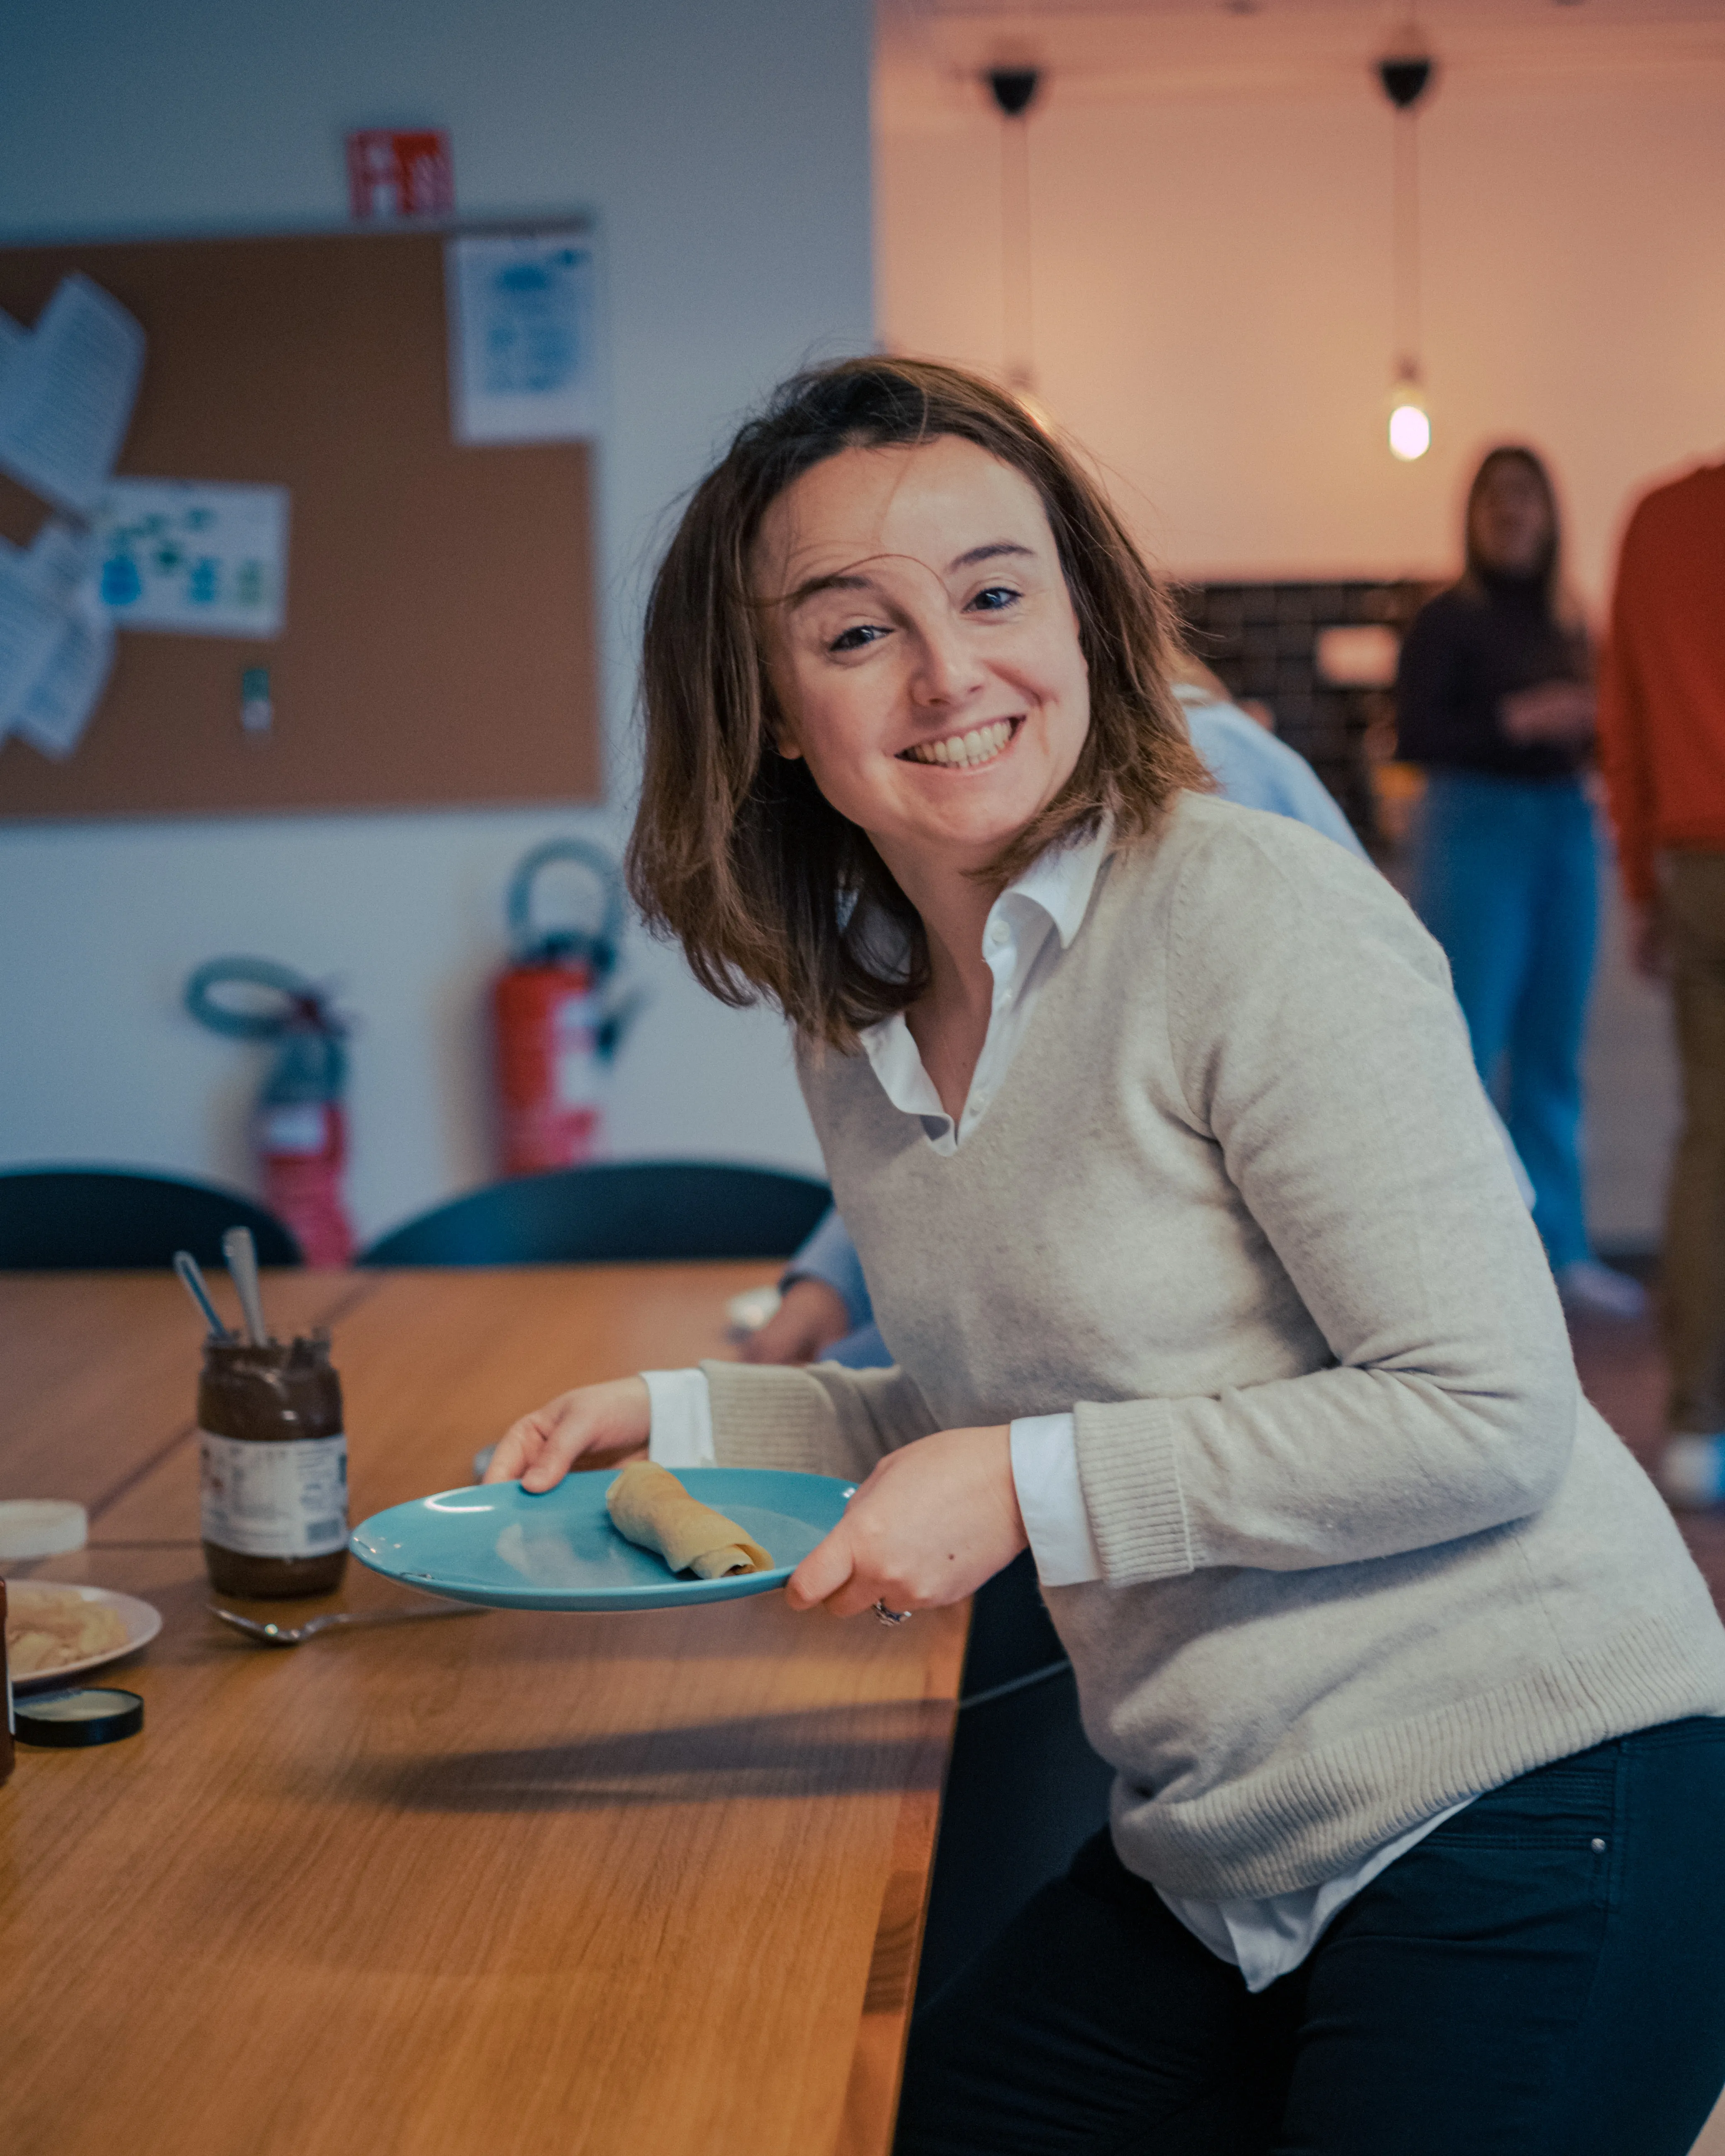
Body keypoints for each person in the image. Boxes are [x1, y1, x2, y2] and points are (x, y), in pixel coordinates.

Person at [486, 359, 1725, 2153]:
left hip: (1536, 1785)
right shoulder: (857, 1023)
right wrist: (683, 1413)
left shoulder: (1249, 914)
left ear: (1081, 616)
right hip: (1227, 1849)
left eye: (994, 593)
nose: (949, 673)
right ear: (761, 704)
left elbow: (1480, 1413)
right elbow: (1009, 1402)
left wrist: (1021, 1481)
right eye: (854, 631)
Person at [1397, 446, 1645, 1320]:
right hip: (1476, 830)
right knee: (1466, 1047)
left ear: (1550, 514)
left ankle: (1560, 1248)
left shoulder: (1570, 619)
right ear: (1473, 513)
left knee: (1550, 1054)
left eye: (1526, 498)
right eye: (1496, 498)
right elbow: (1414, 732)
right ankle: (1459, 1258)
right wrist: (1517, 717)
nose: (1512, 513)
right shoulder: (1441, 620)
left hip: (1565, 831)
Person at [1597, 456, 1725, 1507]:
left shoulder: (1660, 519)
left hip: (1697, 866)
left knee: (1712, 1142)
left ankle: (1696, 1423)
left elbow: (1623, 713)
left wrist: (1642, 877)